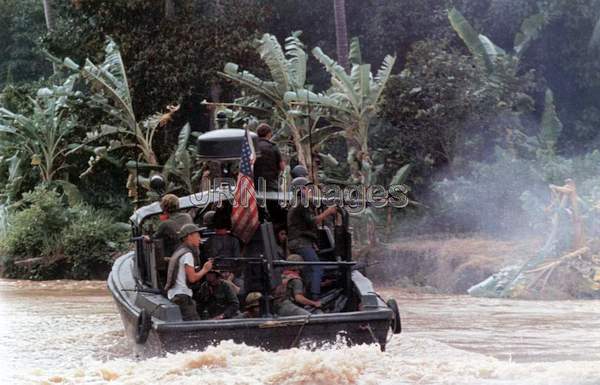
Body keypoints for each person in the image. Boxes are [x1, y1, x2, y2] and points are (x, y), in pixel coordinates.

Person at [287, 177, 337, 299]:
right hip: (300, 243)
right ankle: (315, 296)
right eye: (307, 188)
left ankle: (310, 293)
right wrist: (328, 212)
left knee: (309, 269)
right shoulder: (302, 204)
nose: (310, 191)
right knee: (316, 266)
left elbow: (305, 226)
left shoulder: (296, 203)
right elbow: (312, 222)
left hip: (299, 242)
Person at [164, 224, 213, 321]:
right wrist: (205, 269)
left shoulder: (179, 250)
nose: (200, 239)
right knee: (196, 327)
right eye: (197, 235)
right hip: (182, 296)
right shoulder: (188, 254)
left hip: (175, 295)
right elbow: (192, 278)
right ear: (189, 236)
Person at [253, 123, 284, 192]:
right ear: (269, 134)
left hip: (255, 186)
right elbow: (282, 167)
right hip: (272, 186)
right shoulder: (273, 147)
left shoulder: (252, 147)